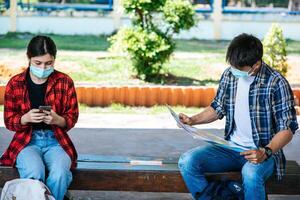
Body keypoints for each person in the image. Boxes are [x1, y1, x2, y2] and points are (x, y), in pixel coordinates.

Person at [178, 33, 298, 200]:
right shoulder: (230, 75)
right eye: (232, 66)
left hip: (262, 152)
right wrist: (192, 120)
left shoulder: (276, 83)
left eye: (239, 69)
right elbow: (218, 107)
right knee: (187, 161)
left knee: (250, 174)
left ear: (256, 65)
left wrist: (266, 151)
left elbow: (287, 129)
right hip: (231, 148)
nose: (234, 72)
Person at [0, 35, 79, 200]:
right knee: (34, 173)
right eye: (38, 63)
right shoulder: (15, 83)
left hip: (56, 141)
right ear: (29, 58)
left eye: (49, 63)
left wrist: (58, 120)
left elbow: (72, 116)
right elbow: (9, 121)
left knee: (60, 174)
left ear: (54, 60)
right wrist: (25, 118)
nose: (43, 67)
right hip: (27, 141)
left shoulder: (64, 81)